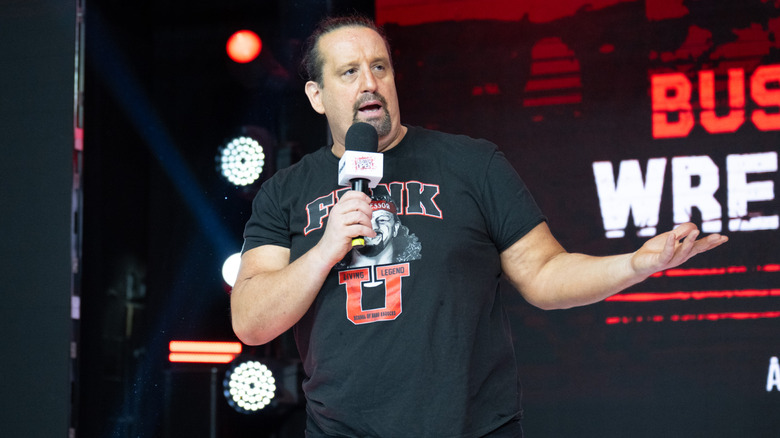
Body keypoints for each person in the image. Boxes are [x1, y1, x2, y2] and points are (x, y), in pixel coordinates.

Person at [230, 15, 728, 437]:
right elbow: (251, 321)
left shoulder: (471, 163)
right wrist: (323, 249)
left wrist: (636, 264)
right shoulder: (285, 192)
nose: (370, 83)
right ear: (316, 95)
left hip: (473, 426)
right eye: (349, 72)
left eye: (379, 67)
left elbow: (545, 274)